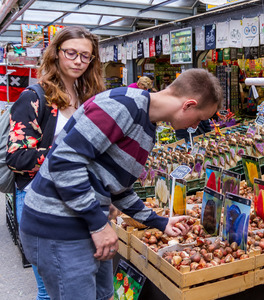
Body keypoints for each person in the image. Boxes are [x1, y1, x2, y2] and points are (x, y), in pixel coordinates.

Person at [19, 68, 223, 299]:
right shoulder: (122, 106)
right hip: (59, 227)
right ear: (188, 104)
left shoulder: (147, 125)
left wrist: (159, 221)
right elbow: (64, 163)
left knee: (104, 295)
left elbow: (116, 186)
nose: (195, 127)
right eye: (199, 119)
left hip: (84, 225)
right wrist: (98, 225)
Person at [6, 26, 105, 300]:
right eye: (71, 53)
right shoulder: (34, 97)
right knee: (50, 291)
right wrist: (67, 155)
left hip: (79, 200)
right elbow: (17, 156)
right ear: (56, 54)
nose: (78, 61)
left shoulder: (88, 100)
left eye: (86, 56)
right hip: (40, 200)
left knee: (78, 283)